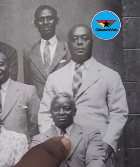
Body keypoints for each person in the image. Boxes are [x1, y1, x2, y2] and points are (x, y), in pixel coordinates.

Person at [38, 25, 128, 165]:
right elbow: (44, 113)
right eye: (75, 39)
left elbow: (118, 113)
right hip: (63, 151)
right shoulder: (55, 77)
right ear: (68, 44)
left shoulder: (109, 76)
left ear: (91, 43)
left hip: (97, 148)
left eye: (85, 38)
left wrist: (108, 144)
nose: (80, 42)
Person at [32, 92, 106, 167]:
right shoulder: (39, 140)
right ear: (51, 113)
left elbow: (95, 162)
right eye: (56, 109)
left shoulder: (91, 135)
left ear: (75, 111)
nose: (61, 113)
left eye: (66, 109)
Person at [24, 5, 71, 99]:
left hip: (64, 107)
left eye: (49, 18)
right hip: (39, 109)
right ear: (35, 23)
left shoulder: (69, 49)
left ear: (56, 21)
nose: (46, 22)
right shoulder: (28, 52)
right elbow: (28, 85)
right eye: (41, 19)